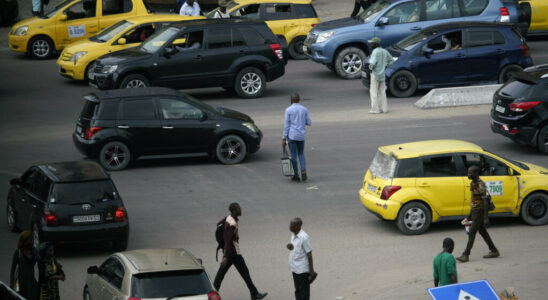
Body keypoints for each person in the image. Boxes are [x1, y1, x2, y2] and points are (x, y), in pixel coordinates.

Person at [214, 203, 268, 300]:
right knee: (222, 275)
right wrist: (226, 256)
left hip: (233, 253)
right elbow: (227, 240)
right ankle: (212, 294)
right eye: (239, 208)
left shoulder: (229, 218)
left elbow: (218, 224)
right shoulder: (231, 224)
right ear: (234, 210)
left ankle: (254, 293)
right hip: (232, 254)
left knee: (243, 273)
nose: (241, 210)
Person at [456, 166, 500, 263]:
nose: (468, 175)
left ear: (476, 173)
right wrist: (469, 215)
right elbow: (474, 200)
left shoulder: (481, 184)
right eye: (468, 172)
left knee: (472, 233)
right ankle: (494, 250)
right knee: (482, 232)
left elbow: (484, 201)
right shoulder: (473, 183)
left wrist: (486, 218)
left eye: (470, 173)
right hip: (475, 211)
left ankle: (465, 254)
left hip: (480, 211)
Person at [282, 93, 312, 182]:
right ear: (299, 100)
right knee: (301, 154)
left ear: (291, 100)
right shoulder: (304, 109)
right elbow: (309, 122)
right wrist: (301, 121)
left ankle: (296, 175)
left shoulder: (288, 110)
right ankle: (303, 169)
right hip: (301, 136)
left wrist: (284, 138)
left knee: (293, 155)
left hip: (292, 136)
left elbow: (286, 125)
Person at [287, 218, 317, 300]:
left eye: (292, 224)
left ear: (298, 226)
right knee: (297, 291)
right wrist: (290, 247)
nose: (290, 226)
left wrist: (311, 271)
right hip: (294, 268)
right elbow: (297, 248)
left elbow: (309, 254)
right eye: (290, 224)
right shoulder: (293, 234)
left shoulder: (304, 237)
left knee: (304, 293)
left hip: (302, 269)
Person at [10, 231, 40, 300]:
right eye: (30, 239)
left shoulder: (34, 250)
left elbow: (40, 262)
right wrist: (11, 284)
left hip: (31, 282)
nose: (32, 241)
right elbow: (13, 270)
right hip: (21, 284)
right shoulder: (18, 252)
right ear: (24, 240)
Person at [368, 37, 393, 114]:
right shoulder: (384, 51)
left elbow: (372, 63)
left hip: (375, 74)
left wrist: (370, 68)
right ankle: (384, 109)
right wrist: (386, 66)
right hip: (382, 74)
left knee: (373, 92)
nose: (371, 44)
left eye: (372, 43)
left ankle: (375, 109)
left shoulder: (375, 52)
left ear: (375, 44)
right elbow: (391, 60)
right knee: (382, 91)